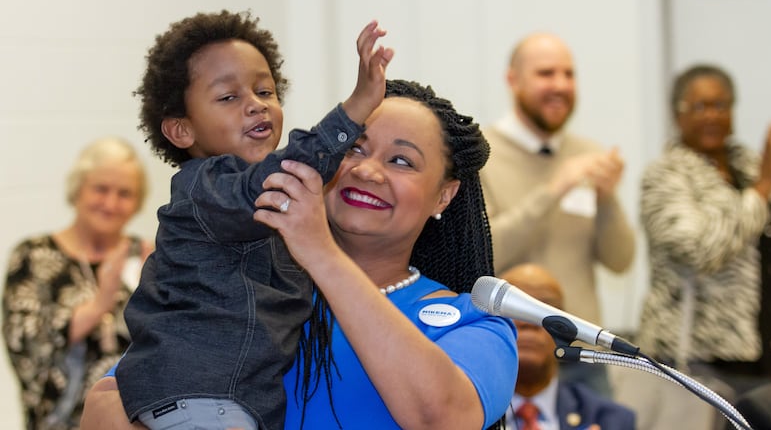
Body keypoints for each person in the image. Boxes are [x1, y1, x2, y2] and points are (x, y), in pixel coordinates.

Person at [80, 79, 519, 430]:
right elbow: (107, 407)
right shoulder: (240, 290)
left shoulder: (477, 325)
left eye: (401, 161)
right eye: (353, 147)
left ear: (444, 195)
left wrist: (321, 253)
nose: (366, 170)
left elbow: (440, 417)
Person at [112, 10, 394, 430]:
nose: (255, 105)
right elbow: (281, 176)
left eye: (266, 90)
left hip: (223, 404)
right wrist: (354, 110)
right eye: (228, 97)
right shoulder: (206, 188)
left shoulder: (248, 206)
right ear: (181, 130)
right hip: (202, 401)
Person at [480, 32, 635, 397]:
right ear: (512, 81)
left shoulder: (588, 152)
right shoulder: (480, 156)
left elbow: (620, 261)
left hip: (583, 354)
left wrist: (608, 198)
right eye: (546, 73)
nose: (561, 85)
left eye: (569, 74)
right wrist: (553, 190)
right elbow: (488, 252)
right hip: (511, 351)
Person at [637, 64, 771, 396]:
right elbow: (696, 249)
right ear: (677, 115)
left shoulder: (752, 167)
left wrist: (763, 187)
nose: (711, 116)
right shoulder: (666, 175)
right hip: (701, 361)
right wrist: (758, 196)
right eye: (699, 106)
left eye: (720, 105)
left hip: (770, 357)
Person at [3, 136, 152, 430]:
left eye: (124, 193)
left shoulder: (147, 256)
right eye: (100, 189)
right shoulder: (33, 256)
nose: (110, 203)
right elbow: (26, 345)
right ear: (77, 190)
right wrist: (101, 302)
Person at [501, 263, 635, 430]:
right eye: (513, 310)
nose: (528, 323)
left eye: (544, 310)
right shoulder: (465, 415)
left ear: (565, 332)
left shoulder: (609, 420)